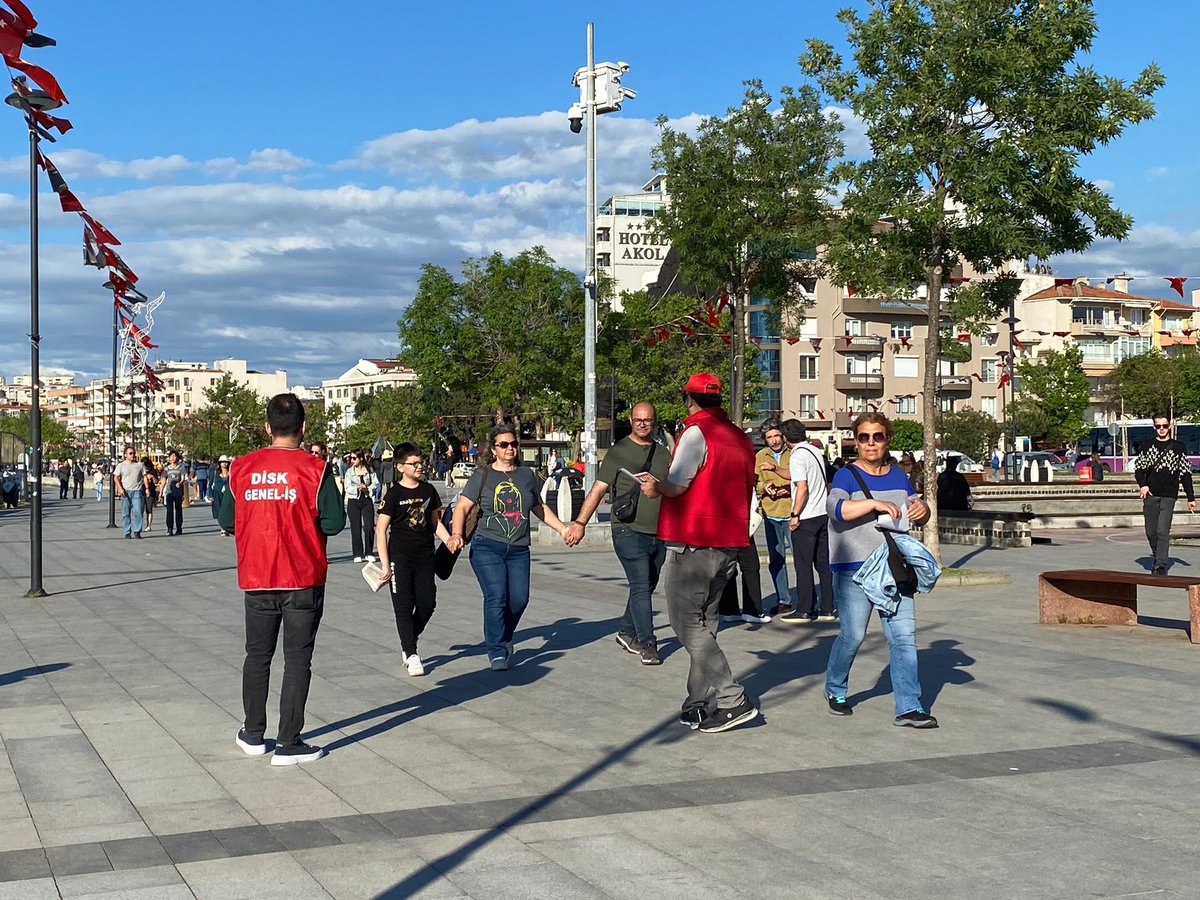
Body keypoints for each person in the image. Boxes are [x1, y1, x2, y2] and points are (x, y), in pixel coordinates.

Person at [220, 393, 346, 765]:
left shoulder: (241, 468)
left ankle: (253, 733)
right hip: (302, 577)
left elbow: (227, 519)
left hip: (257, 577)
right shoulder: (316, 469)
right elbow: (335, 523)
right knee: (297, 660)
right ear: (303, 428)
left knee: (257, 656)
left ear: (266, 427)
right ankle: (289, 741)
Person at [639, 372, 759, 734]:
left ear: (688, 399)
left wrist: (654, 488)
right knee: (706, 625)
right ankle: (695, 703)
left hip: (693, 540)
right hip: (728, 542)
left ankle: (731, 697)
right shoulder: (741, 438)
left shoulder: (696, 432)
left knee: (687, 624)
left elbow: (678, 485)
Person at [824, 412, 936, 727]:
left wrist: (922, 509)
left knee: (903, 637)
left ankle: (909, 707)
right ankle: (835, 688)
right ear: (855, 441)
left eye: (878, 436)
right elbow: (835, 510)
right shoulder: (846, 475)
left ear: (887, 439)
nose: (871, 443)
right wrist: (873, 505)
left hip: (892, 568)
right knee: (853, 635)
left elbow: (916, 513)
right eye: (864, 437)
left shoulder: (899, 475)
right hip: (854, 569)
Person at [447, 424, 572, 671]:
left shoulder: (527, 475)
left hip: (519, 549)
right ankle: (497, 649)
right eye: (503, 444)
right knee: (497, 597)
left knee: (519, 600)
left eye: (513, 444)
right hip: (487, 546)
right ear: (493, 449)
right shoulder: (482, 475)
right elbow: (462, 507)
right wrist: (456, 534)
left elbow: (539, 507)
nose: (510, 448)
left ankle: (503, 635)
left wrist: (562, 528)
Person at [565, 402, 670, 665]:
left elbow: (673, 489)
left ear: (654, 421)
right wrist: (580, 523)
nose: (642, 424)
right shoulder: (619, 451)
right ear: (631, 421)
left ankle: (626, 632)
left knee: (646, 585)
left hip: (658, 531)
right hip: (627, 528)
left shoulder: (663, 453)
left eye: (647, 420)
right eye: (638, 420)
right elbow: (598, 489)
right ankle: (648, 643)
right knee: (640, 585)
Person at [376, 443, 453, 677]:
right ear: (401, 467)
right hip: (399, 558)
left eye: (420, 462)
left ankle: (409, 637)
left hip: (425, 556)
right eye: (414, 463)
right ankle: (410, 653)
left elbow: (434, 522)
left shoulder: (429, 490)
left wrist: (448, 540)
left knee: (428, 604)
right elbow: (381, 530)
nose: (419, 466)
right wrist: (384, 563)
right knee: (403, 606)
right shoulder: (393, 495)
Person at [776, 419, 835, 624]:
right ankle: (827, 607)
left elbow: (802, 487)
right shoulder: (814, 451)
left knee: (803, 565)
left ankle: (804, 609)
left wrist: (794, 514)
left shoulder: (797, 455)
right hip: (822, 514)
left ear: (785, 438)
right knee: (823, 564)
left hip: (807, 516)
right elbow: (797, 475)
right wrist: (775, 469)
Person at [1134, 413, 1196, 575]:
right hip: (1150, 494)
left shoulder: (1178, 447)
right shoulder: (1147, 446)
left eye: (1165, 426)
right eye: (1158, 426)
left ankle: (1160, 565)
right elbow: (1139, 470)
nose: (1162, 429)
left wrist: (1191, 497)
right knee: (1151, 532)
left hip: (1169, 494)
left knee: (1162, 531)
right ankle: (1158, 555)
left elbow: (1185, 473)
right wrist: (1143, 486)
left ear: (1170, 426)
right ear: (1154, 427)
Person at [756, 421, 794, 615]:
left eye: (776, 435)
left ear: (783, 436)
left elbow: (802, 478)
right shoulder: (760, 456)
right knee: (776, 559)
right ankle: (783, 599)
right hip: (771, 513)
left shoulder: (793, 453)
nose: (774, 440)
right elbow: (756, 482)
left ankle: (808, 599)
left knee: (802, 559)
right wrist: (765, 487)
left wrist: (788, 488)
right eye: (769, 437)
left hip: (793, 512)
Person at [344, 449, 379, 563]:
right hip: (354, 501)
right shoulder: (349, 472)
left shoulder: (369, 470)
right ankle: (357, 553)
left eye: (355, 458)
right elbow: (347, 487)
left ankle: (369, 552)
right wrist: (357, 488)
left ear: (361, 458)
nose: (352, 460)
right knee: (356, 527)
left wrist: (367, 489)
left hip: (366, 500)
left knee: (369, 526)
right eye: (351, 458)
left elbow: (375, 483)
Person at [113, 446, 148, 539]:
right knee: (126, 513)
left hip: (137, 491)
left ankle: (137, 531)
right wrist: (120, 488)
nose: (133, 455)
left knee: (138, 511)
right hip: (125, 491)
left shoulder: (140, 465)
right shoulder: (121, 465)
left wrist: (147, 488)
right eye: (130, 453)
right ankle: (127, 531)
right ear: (125, 455)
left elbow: (144, 476)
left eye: (134, 453)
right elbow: (115, 477)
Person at [162, 450, 187, 536]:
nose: (173, 458)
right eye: (171, 456)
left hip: (178, 491)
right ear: (169, 458)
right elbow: (163, 480)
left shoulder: (181, 468)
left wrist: (179, 483)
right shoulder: (166, 469)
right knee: (169, 511)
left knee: (178, 510)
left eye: (174, 456)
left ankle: (179, 528)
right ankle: (169, 529)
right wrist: (161, 491)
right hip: (169, 491)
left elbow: (183, 478)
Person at [209, 456, 232, 535]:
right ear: (219, 463)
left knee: (227, 510)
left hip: (228, 494)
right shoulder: (215, 472)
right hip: (217, 494)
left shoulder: (231, 472)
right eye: (222, 462)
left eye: (225, 462)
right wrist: (210, 494)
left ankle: (227, 527)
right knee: (219, 511)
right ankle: (223, 529)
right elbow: (210, 483)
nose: (224, 463)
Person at [142, 456, 159, 532]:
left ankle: (148, 525)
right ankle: (139, 524)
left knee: (149, 509)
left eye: (145, 465)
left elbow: (156, 482)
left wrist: (152, 477)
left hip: (151, 492)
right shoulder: (140, 471)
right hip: (141, 491)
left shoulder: (153, 471)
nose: (144, 467)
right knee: (140, 509)